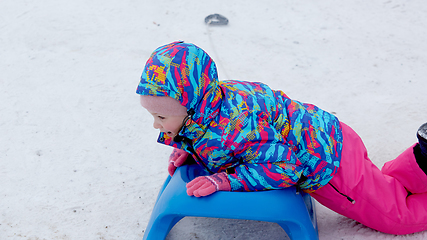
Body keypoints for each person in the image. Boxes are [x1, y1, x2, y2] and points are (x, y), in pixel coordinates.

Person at [136, 41, 427, 235]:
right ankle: (422, 157)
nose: (155, 125)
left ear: (192, 105)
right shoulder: (212, 99)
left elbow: (285, 167)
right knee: (386, 183)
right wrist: (192, 150)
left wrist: (226, 181)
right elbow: (216, 137)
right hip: (330, 135)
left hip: (327, 163)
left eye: (162, 118)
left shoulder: (233, 129)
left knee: (396, 216)